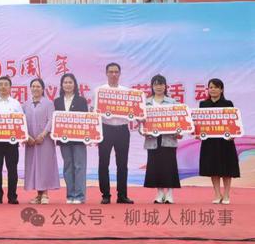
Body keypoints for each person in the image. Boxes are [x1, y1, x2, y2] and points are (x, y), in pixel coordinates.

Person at [96, 63, 134, 204]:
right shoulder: (99, 91)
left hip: (122, 129)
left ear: (119, 74)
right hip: (105, 129)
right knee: (103, 163)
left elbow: (133, 110)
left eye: (116, 72)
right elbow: (95, 111)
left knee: (122, 164)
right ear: (106, 73)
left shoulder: (126, 92)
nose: (113, 74)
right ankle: (105, 195)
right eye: (111, 71)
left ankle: (122, 195)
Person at [199, 78, 240, 204]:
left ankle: (226, 194)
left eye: (216, 87)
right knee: (213, 168)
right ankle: (217, 194)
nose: (213, 90)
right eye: (211, 87)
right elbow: (199, 123)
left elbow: (233, 122)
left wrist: (233, 134)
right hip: (209, 141)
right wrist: (198, 133)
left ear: (221, 89)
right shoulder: (203, 104)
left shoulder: (228, 103)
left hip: (225, 141)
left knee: (226, 169)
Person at [141, 74, 181, 204]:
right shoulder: (146, 103)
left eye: (161, 84)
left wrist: (179, 132)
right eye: (156, 84)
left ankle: (169, 194)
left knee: (169, 166)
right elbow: (141, 123)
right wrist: (143, 131)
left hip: (168, 139)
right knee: (155, 166)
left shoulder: (172, 102)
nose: (158, 87)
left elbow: (179, 121)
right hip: (152, 140)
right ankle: (159, 193)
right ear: (152, 86)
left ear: (165, 86)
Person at [0, 76, 23, 205]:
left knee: (12, 169)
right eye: (1, 84)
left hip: (12, 142)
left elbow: (21, 121)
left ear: (10, 87)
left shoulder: (15, 103)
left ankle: (12, 196)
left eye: (6, 84)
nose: (3, 87)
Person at [23, 78, 59, 205]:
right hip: (31, 141)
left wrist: (43, 135)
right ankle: (38, 195)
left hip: (45, 140)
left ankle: (45, 194)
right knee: (34, 167)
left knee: (44, 166)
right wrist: (27, 136)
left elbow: (51, 120)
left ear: (43, 89)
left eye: (38, 86)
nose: (35, 88)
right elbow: (21, 121)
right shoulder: (26, 104)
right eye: (33, 86)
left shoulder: (48, 103)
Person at [54, 73, 89, 204]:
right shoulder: (57, 101)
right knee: (68, 166)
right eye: (65, 82)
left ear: (75, 85)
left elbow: (86, 120)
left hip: (79, 139)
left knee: (79, 166)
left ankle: (79, 195)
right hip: (64, 139)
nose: (68, 85)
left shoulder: (81, 101)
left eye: (70, 82)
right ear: (61, 85)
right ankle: (70, 195)